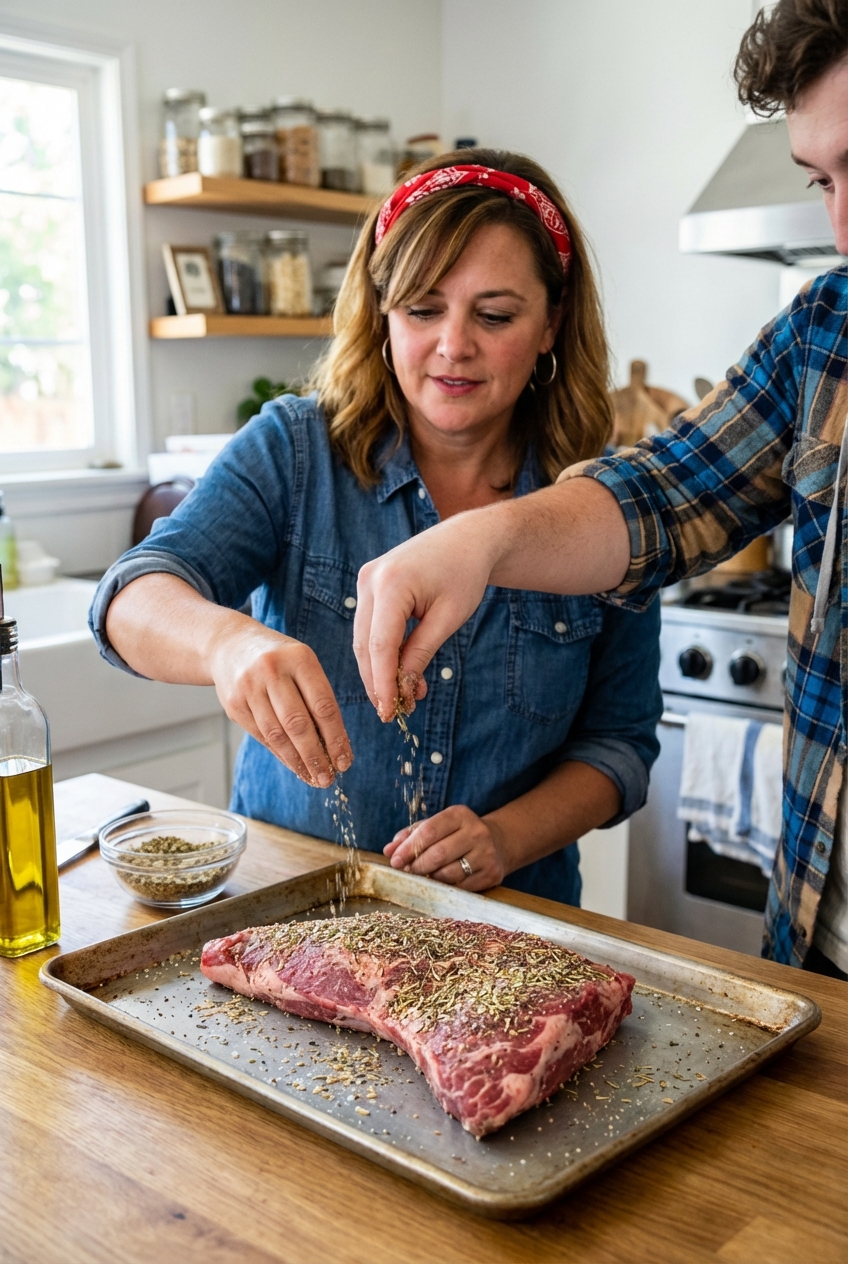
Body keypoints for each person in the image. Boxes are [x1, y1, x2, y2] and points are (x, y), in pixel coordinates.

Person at [353, 0, 848, 976]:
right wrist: (483, 541)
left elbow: (615, 745)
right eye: (820, 179)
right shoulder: (825, 331)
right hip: (820, 954)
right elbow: (662, 492)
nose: (839, 223)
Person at [90, 149, 662, 906]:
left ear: (552, 323)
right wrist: (227, 643)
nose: (453, 345)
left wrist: (506, 837)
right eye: (423, 309)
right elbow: (129, 599)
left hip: (512, 927)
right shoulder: (295, 452)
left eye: (494, 315)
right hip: (288, 915)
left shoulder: (600, 507)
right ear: (381, 311)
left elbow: (620, 744)